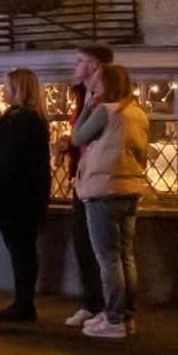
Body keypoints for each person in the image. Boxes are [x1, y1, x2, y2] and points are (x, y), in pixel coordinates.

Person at [73, 63, 149, 340]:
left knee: (108, 257)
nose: (92, 84)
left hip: (104, 189)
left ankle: (113, 317)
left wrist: (87, 106)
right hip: (130, 187)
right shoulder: (137, 113)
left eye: (97, 80)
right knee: (126, 255)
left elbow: (78, 136)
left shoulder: (106, 111)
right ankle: (127, 315)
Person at [0, 68, 52, 322]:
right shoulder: (27, 118)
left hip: (18, 198)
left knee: (22, 252)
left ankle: (24, 304)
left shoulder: (22, 120)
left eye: (7, 86)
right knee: (22, 251)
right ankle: (23, 301)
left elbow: (9, 160)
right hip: (23, 197)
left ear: (18, 89)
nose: (4, 90)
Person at [59, 44, 113, 328]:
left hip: (100, 182)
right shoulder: (83, 96)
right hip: (82, 178)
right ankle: (91, 302)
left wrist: (75, 141)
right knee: (82, 243)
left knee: (103, 250)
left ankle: (108, 307)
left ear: (95, 66)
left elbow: (87, 137)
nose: (75, 66)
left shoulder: (106, 102)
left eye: (80, 61)